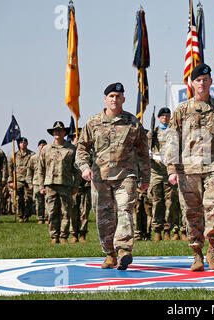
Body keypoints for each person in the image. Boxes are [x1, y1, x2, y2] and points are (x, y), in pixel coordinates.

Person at [165, 63, 214, 271]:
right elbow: (171, 140)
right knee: (192, 212)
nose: (202, 83)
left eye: (205, 80)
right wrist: (171, 169)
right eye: (198, 80)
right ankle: (196, 254)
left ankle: (212, 251)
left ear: (210, 82)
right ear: (191, 83)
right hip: (188, 168)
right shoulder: (182, 110)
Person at [75, 82, 150, 271]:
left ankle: (124, 250)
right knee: (104, 216)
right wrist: (84, 167)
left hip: (127, 176)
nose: (115, 100)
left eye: (118, 96)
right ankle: (110, 253)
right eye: (111, 96)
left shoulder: (133, 123)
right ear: (105, 99)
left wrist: (146, 177)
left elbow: (143, 151)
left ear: (123, 99)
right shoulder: (93, 123)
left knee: (125, 210)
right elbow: (82, 148)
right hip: (100, 178)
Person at [37, 122, 79, 244]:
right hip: (50, 184)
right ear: (52, 133)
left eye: (60, 130)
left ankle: (64, 236)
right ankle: (54, 237)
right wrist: (41, 186)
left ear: (65, 132)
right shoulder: (46, 149)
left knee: (66, 212)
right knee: (51, 212)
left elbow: (77, 170)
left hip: (66, 184)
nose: (58, 133)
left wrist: (75, 185)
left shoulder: (71, 149)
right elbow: (40, 169)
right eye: (55, 131)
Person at [148, 107, 182, 241]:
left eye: (168, 116)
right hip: (155, 171)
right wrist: (151, 154)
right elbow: (144, 150)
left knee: (171, 202)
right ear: (158, 118)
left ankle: (167, 229)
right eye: (163, 116)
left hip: (169, 171)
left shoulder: (173, 133)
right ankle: (157, 230)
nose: (166, 118)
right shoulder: (152, 133)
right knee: (157, 201)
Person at [68, 130, 91, 243]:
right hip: (72, 186)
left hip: (85, 185)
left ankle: (82, 234)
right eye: (74, 137)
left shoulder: (88, 152)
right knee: (73, 212)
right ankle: (74, 234)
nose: (77, 139)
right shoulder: (69, 151)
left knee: (84, 212)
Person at [8, 137, 35, 222]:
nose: (23, 144)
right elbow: (10, 168)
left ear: (27, 143)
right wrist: (10, 181)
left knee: (28, 199)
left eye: (24, 142)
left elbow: (34, 168)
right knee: (18, 199)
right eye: (21, 143)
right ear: (19, 144)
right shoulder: (14, 155)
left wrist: (33, 182)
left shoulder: (32, 155)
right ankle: (20, 216)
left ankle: (26, 216)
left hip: (28, 180)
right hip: (18, 180)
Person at [26, 139, 47, 224]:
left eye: (44, 145)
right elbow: (29, 172)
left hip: (47, 182)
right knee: (38, 202)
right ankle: (40, 218)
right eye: (41, 145)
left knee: (48, 201)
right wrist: (30, 183)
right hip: (37, 183)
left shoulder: (49, 156)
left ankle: (47, 218)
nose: (42, 147)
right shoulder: (33, 158)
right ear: (38, 147)